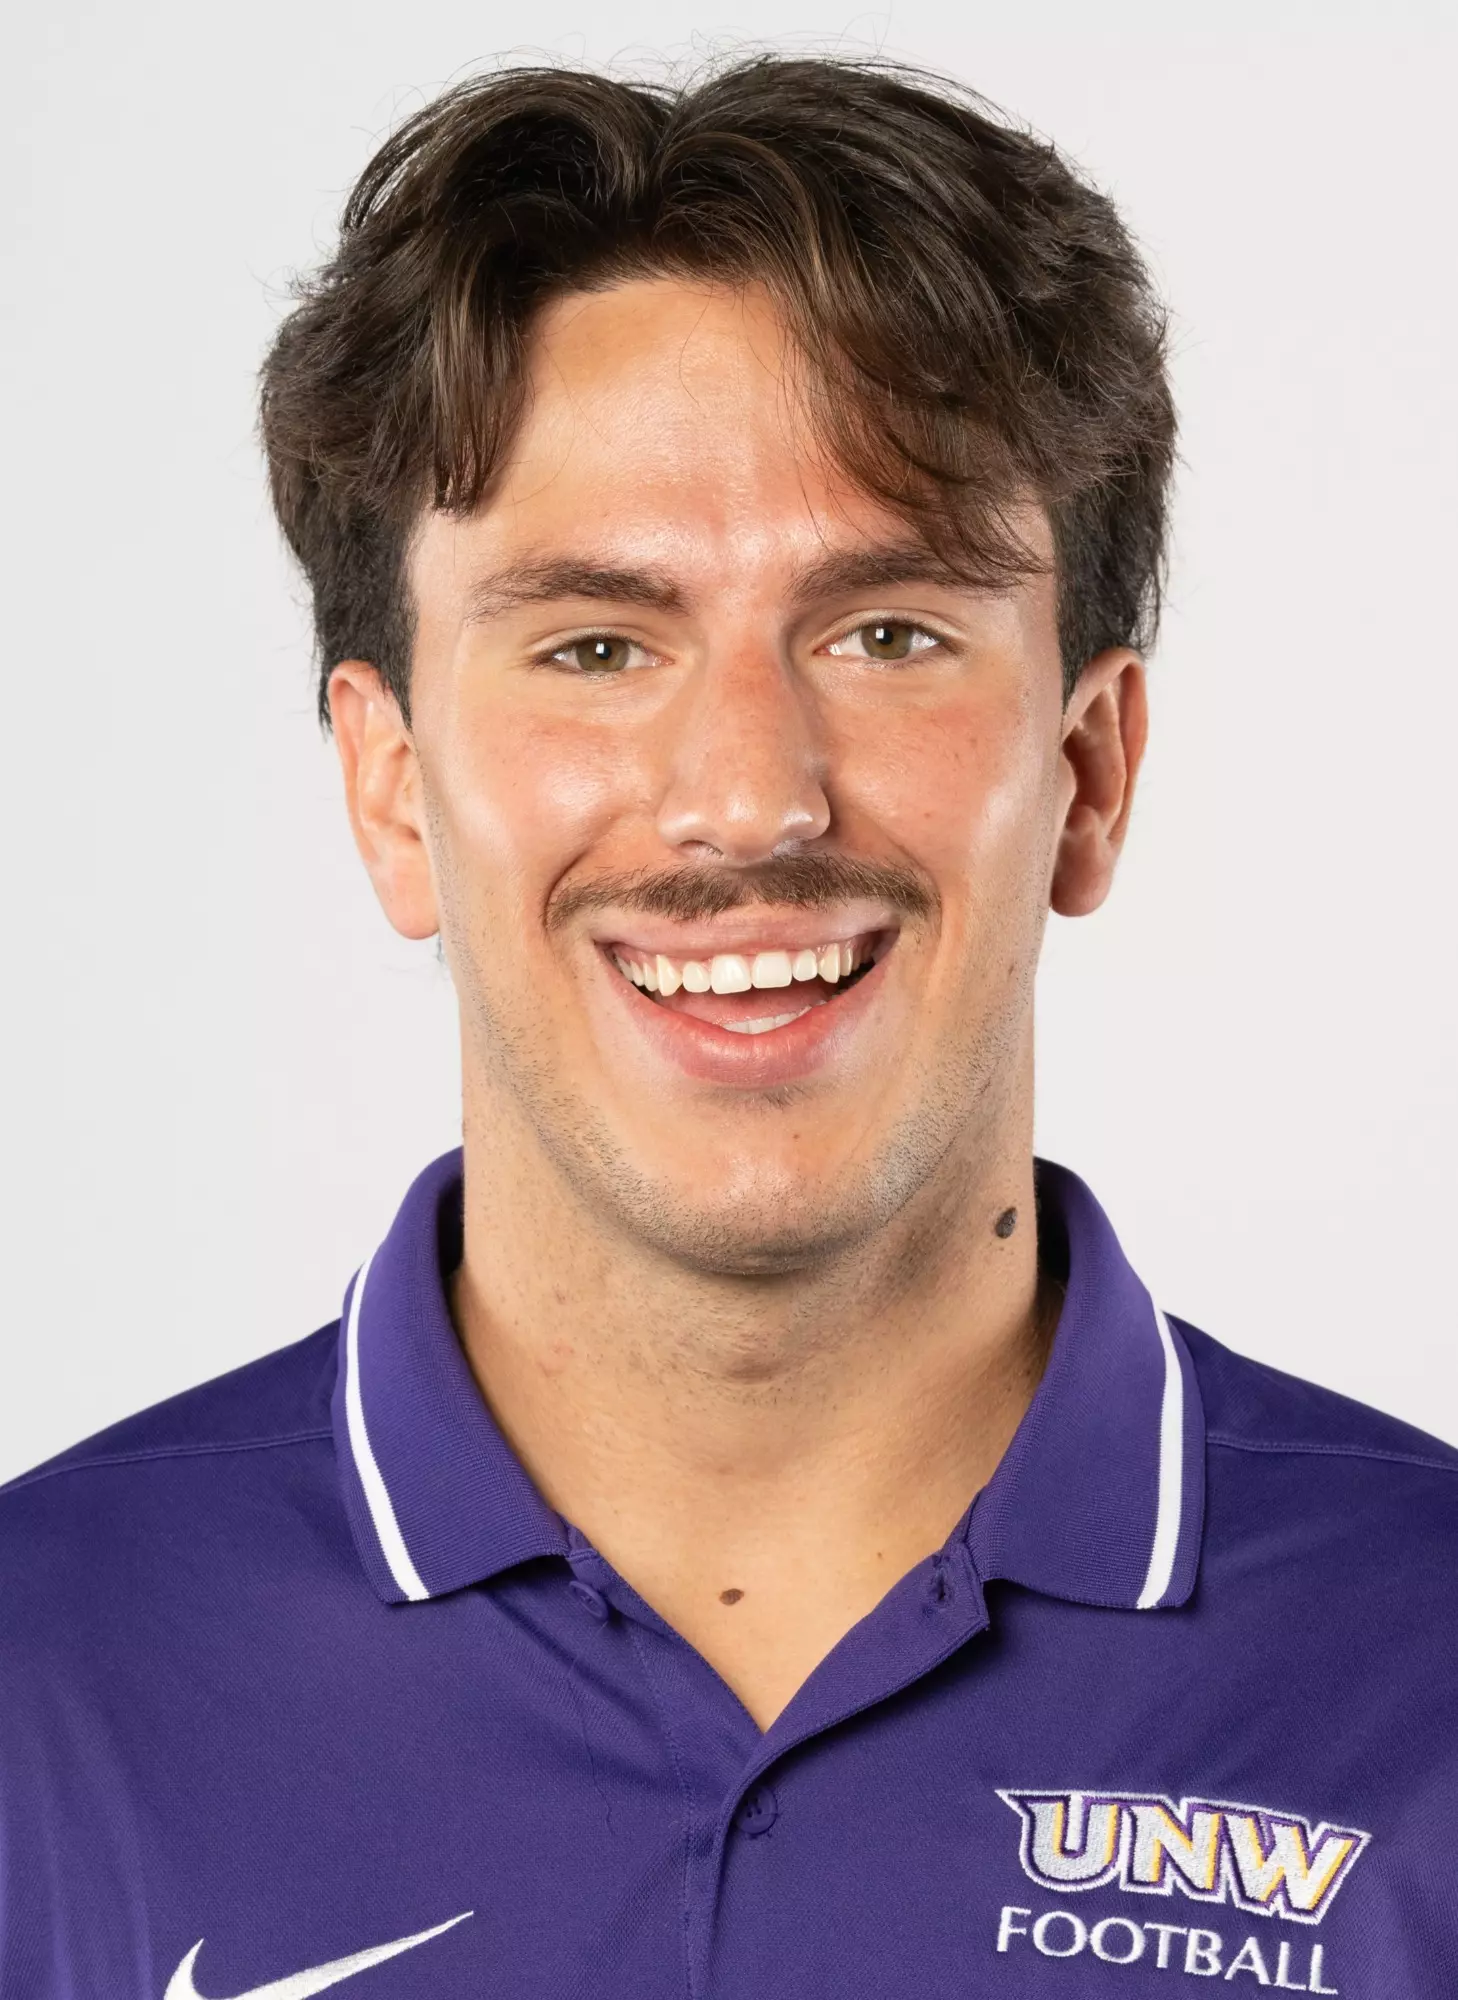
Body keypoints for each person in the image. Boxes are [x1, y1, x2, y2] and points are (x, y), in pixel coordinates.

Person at [1, 51, 1453, 2000]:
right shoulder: (41, 1680)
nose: (750, 796)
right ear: (389, 787)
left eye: (887, 633)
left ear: (1090, 770)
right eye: (597, 644)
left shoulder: (1427, 1674)